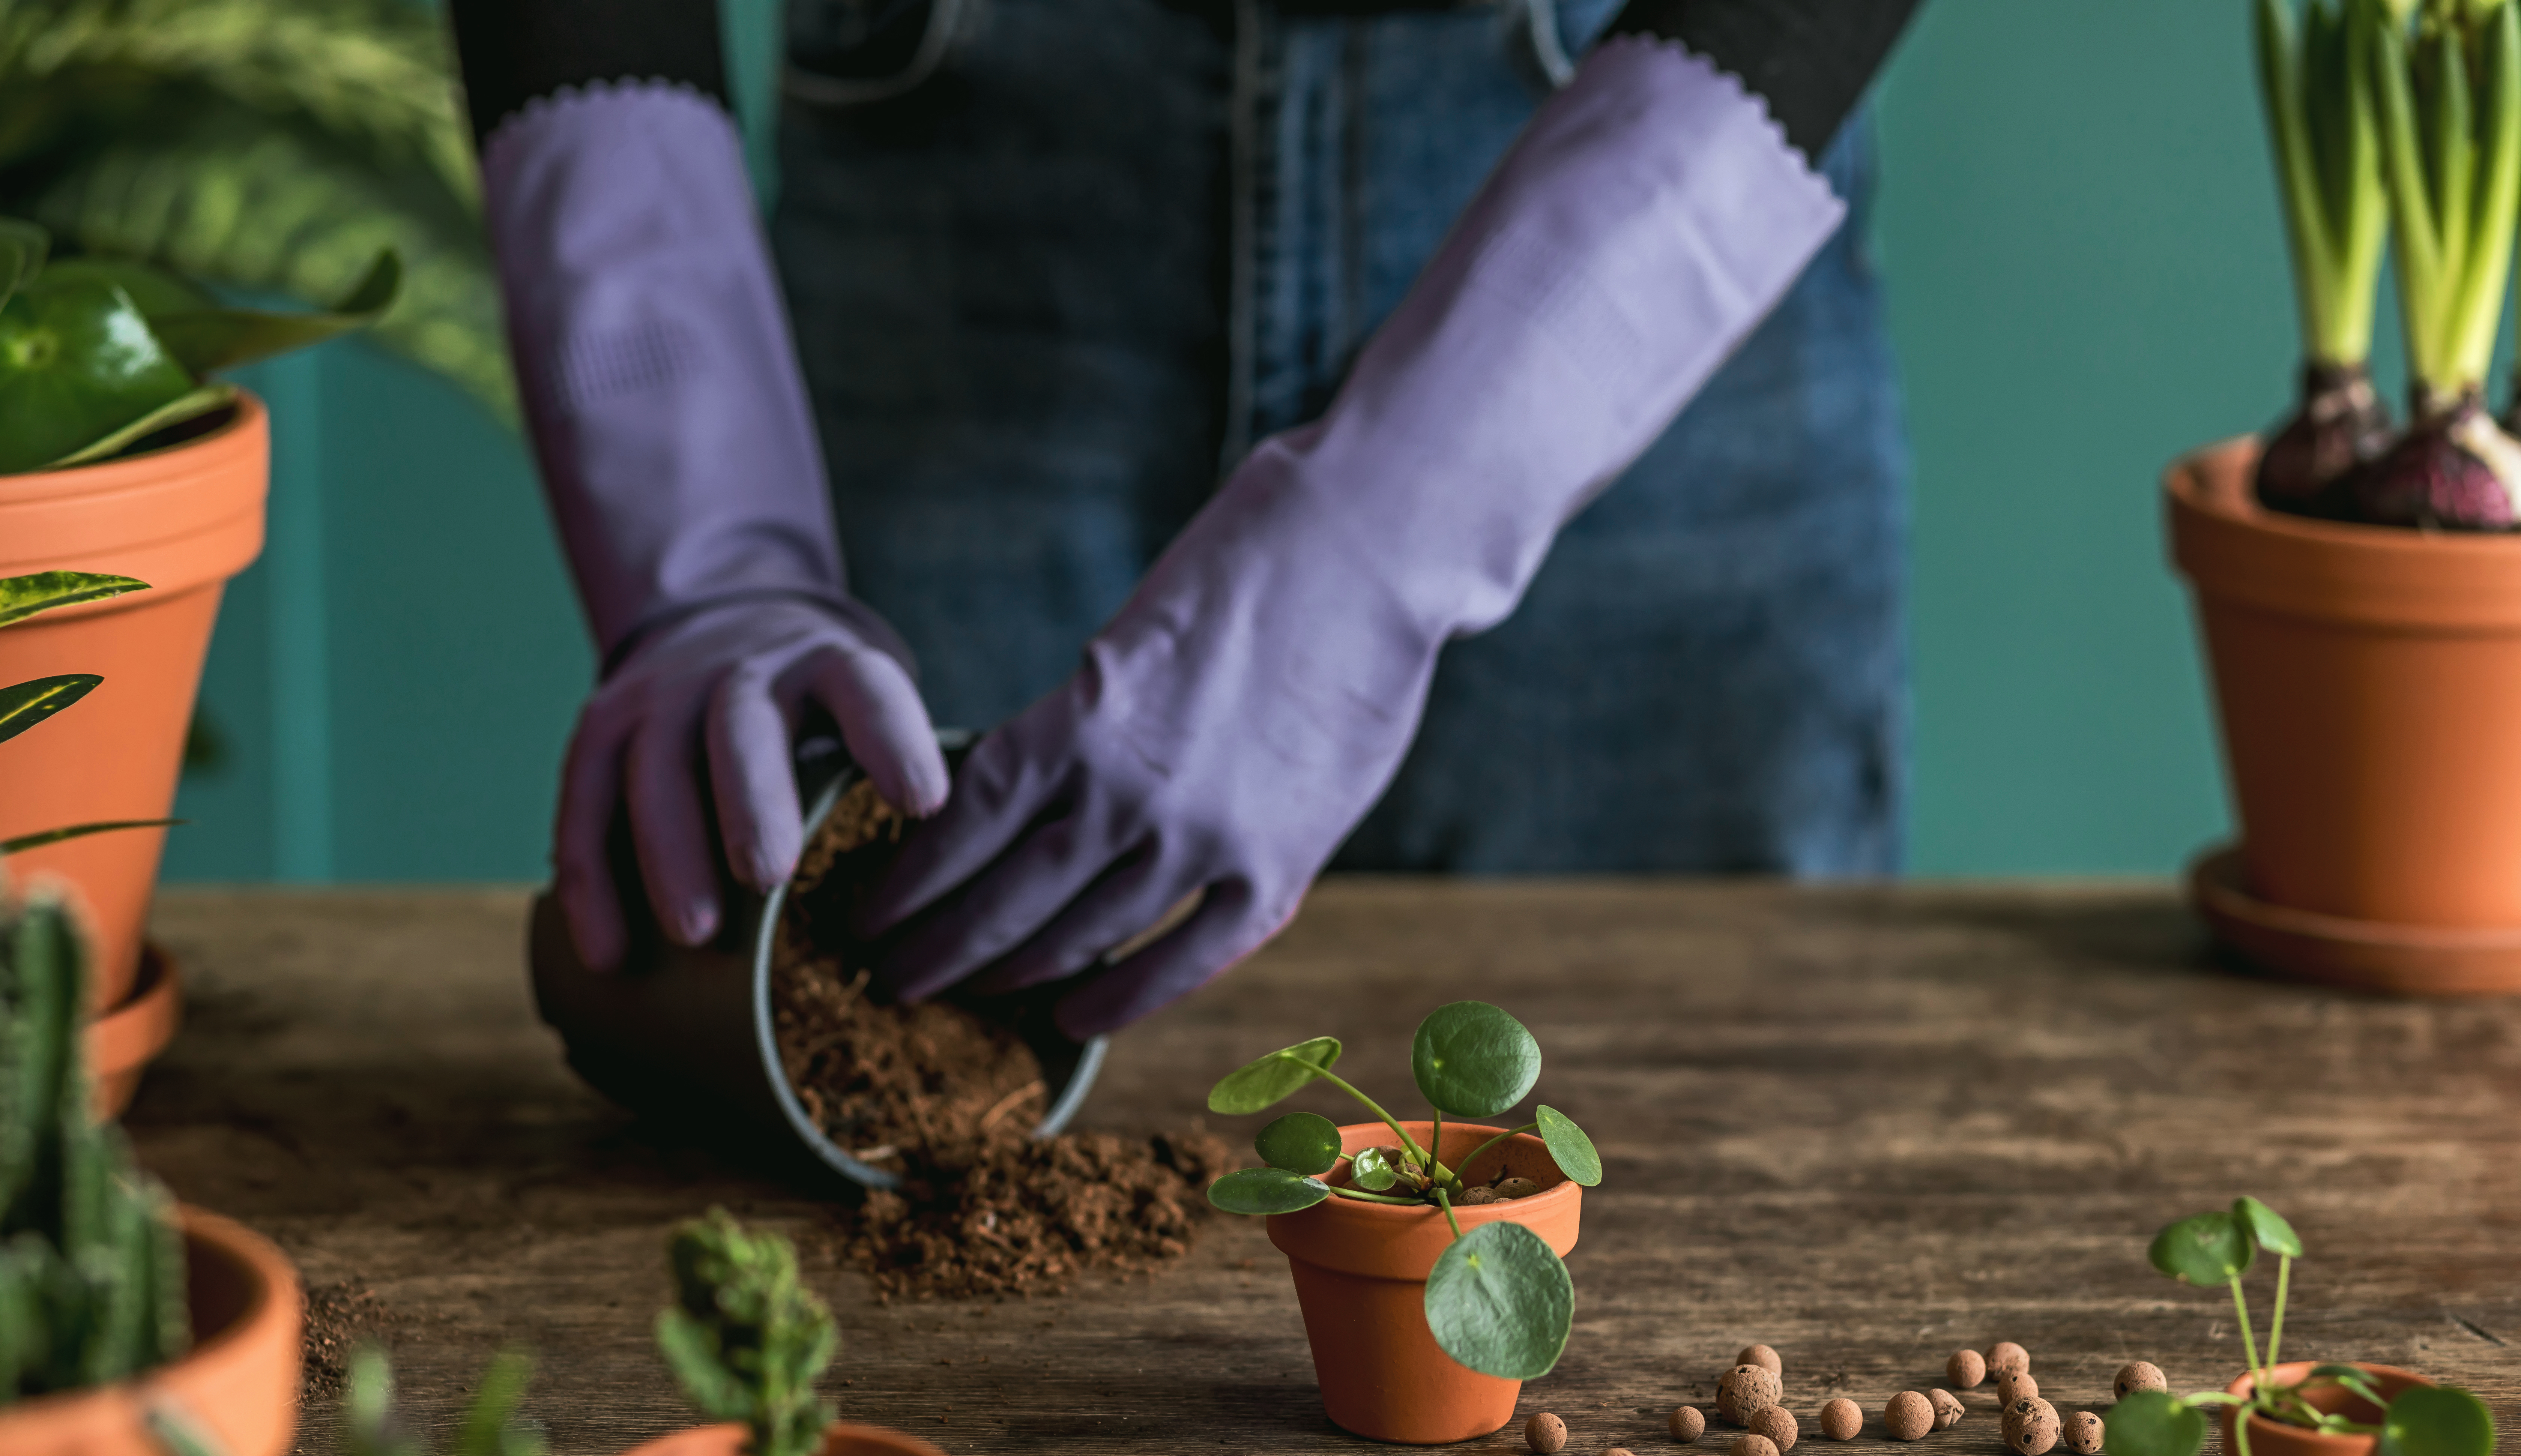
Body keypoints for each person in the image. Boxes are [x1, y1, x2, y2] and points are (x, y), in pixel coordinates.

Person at [450, 0, 1919, 1039]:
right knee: (890, 1048)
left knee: (1723, 1124)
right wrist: (711, 550)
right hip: (956, 150)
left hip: (1655, 130)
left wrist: (1407, 513)